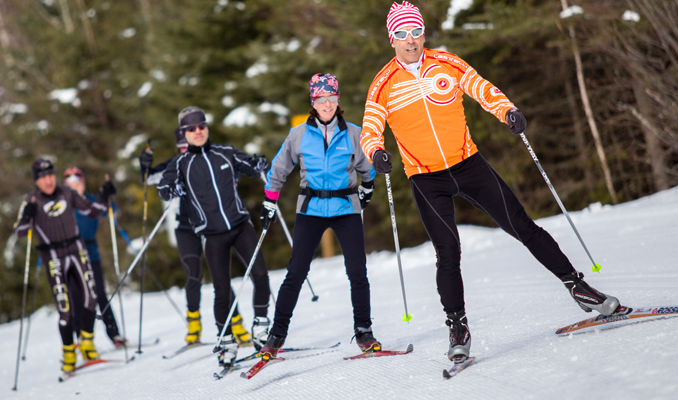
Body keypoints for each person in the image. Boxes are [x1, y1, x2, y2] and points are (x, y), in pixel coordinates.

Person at [358, 1, 621, 364]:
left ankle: (579, 288)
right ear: (392, 39)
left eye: (416, 31)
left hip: (468, 164)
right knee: (448, 254)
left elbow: (481, 88)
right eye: (402, 34)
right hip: (425, 177)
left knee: (522, 226)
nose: (411, 40)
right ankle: (457, 328)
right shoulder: (383, 83)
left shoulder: (447, 63)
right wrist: (375, 152)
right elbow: (371, 128)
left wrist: (508, 110)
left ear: (423, 33)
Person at [258, 73, 380, 359]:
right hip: (310, 209)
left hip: (345, 208)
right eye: (321, 99)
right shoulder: (299, 134)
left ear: (338, 100)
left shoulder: (353, 133)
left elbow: (366, 165)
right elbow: (280, 167)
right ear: (313, 102)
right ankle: (276, 335)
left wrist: (368, 186)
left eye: (332, 98)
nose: (327, 104)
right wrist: (269, 200)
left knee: (357, 271)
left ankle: (363, 330)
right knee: (296, 272)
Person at [157, 106, 272, 367]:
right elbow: (163, 189)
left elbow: (249, 165)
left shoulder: (225, 152)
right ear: (183, 132)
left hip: (241, 226)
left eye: (201, 126)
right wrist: (170, 188)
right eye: (191, 128)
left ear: (206, 128)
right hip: (212, 235)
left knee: (261, 277)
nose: (198, 131)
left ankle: (261, 328)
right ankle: (226, 341)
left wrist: (258, 164)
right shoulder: (180, 164)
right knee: (222, 292)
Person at [138, 130, 255, 347]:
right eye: (181, 147)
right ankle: (194, 325)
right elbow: (150, 178)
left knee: (220, 279)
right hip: (185, 227)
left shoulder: (208, 159)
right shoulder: (176, 164)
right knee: (194, 274)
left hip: (210, 226)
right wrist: (144, 166)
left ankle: (237, 325)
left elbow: (232, 173)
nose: (185, 150)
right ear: (178, 149)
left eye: (187, 145)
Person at [14, 158, 116, 373]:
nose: (48, 180)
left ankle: (87, 343)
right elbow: (20, 232)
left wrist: (105, 195)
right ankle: (69, 352)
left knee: (91, 298)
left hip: (77, 251)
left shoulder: (67, 193)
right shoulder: (31, 199)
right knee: (65, 309)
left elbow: (92, 211)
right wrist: (27, 216)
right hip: (53, 256)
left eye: (50, 175)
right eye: (42, 177)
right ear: (36, 180)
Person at [62, 166, 127, 349]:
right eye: (70, 182)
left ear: (83, 182)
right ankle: (79, 339)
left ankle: (114, 334)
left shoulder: (91, 200)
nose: (75, 185)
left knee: (99, 294)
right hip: (70, 255)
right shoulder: (63, 203)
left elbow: (112, 209)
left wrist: (107, 195)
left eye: (78, 181)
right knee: (75, 297)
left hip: (91, 253)